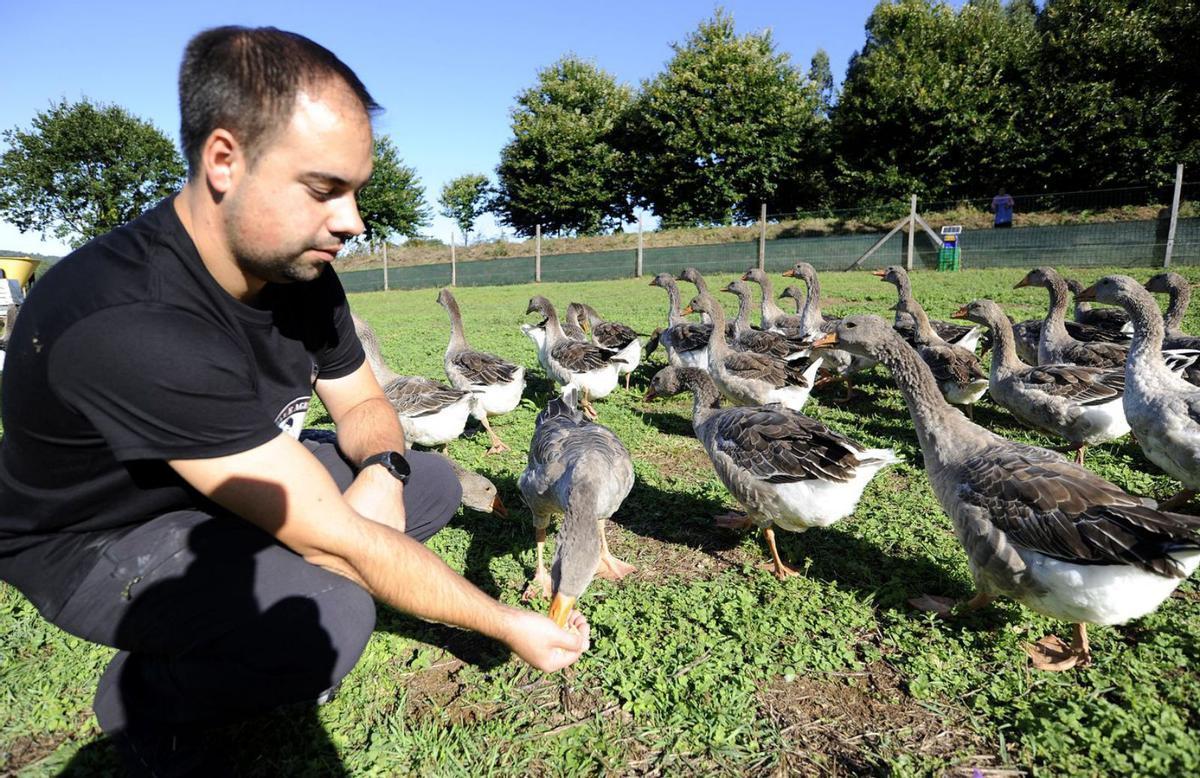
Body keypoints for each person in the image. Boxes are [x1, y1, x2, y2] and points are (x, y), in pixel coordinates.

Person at [0, 26, 588, 774]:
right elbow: (329, 540)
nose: (353, 221)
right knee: (334, 613)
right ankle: (145, 698)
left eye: (356, 191)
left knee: (431, 481)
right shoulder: (129, 320)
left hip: (221, 474)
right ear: (223, 161)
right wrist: (506, 623)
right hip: (95, 538)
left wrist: (381, 468)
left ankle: (272, 566)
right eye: (324, 189)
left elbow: (364, 404)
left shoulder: (299, 273)